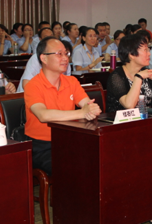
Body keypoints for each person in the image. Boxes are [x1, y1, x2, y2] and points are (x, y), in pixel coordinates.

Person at [106, 33, 152, 224]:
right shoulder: (117, 76)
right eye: (145, 49)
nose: (149, 53)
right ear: (131, 54)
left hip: (143, 128)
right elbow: (128, 104)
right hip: (120, 133)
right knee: (150, 158)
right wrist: (139, 78)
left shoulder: (147, 72)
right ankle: (149, 207)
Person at [24, 36, 101, 176]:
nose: (65, 58)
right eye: (59, 54)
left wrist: (91, 109)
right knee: (72, 168)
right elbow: (43, 115)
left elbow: (89, 105)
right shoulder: (33, 85)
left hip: (69, 139)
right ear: (44, 58)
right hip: (43, 146)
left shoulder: (71, 81)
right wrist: (81, 112)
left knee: (100, 159)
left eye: (66, 53)